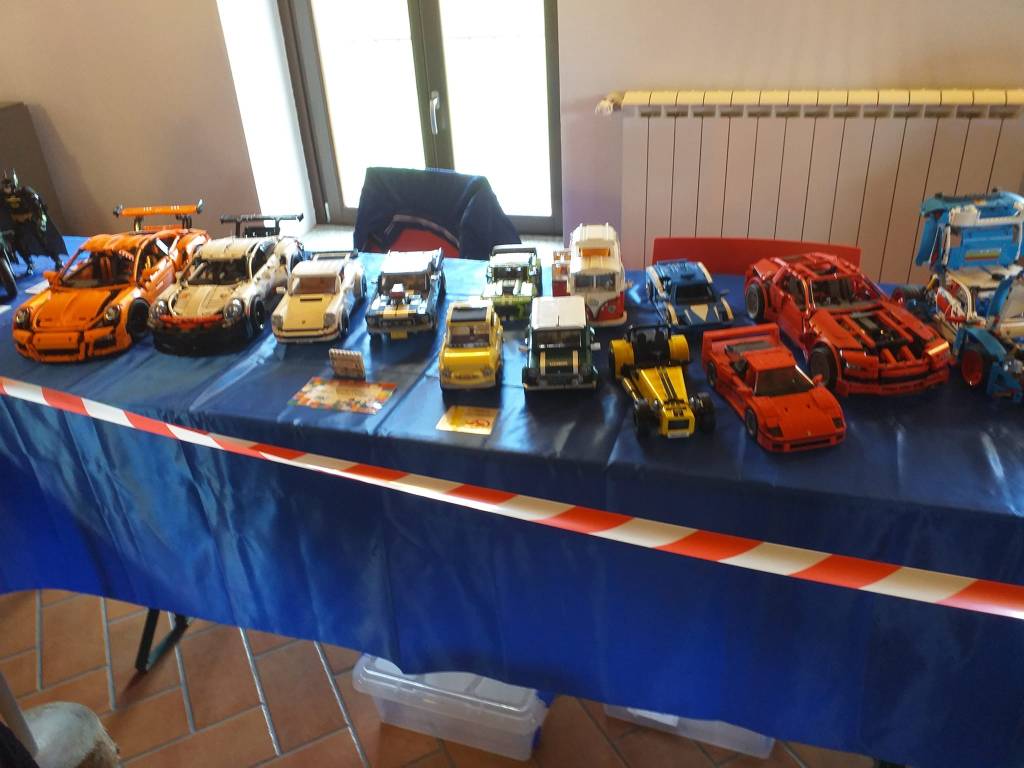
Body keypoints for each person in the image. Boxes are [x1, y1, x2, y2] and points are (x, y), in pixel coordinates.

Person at [1, 170, 65, 274]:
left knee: (43, 240)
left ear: (14, 183)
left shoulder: (25, 191)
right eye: (4, 184)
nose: (6, 187)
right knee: (18, 244)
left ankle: (57, 260)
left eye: (8, 184)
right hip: (17, 223)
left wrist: (42, 220)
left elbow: (38, 206)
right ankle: (29, 263)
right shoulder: (2, 195)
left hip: (31, 220)